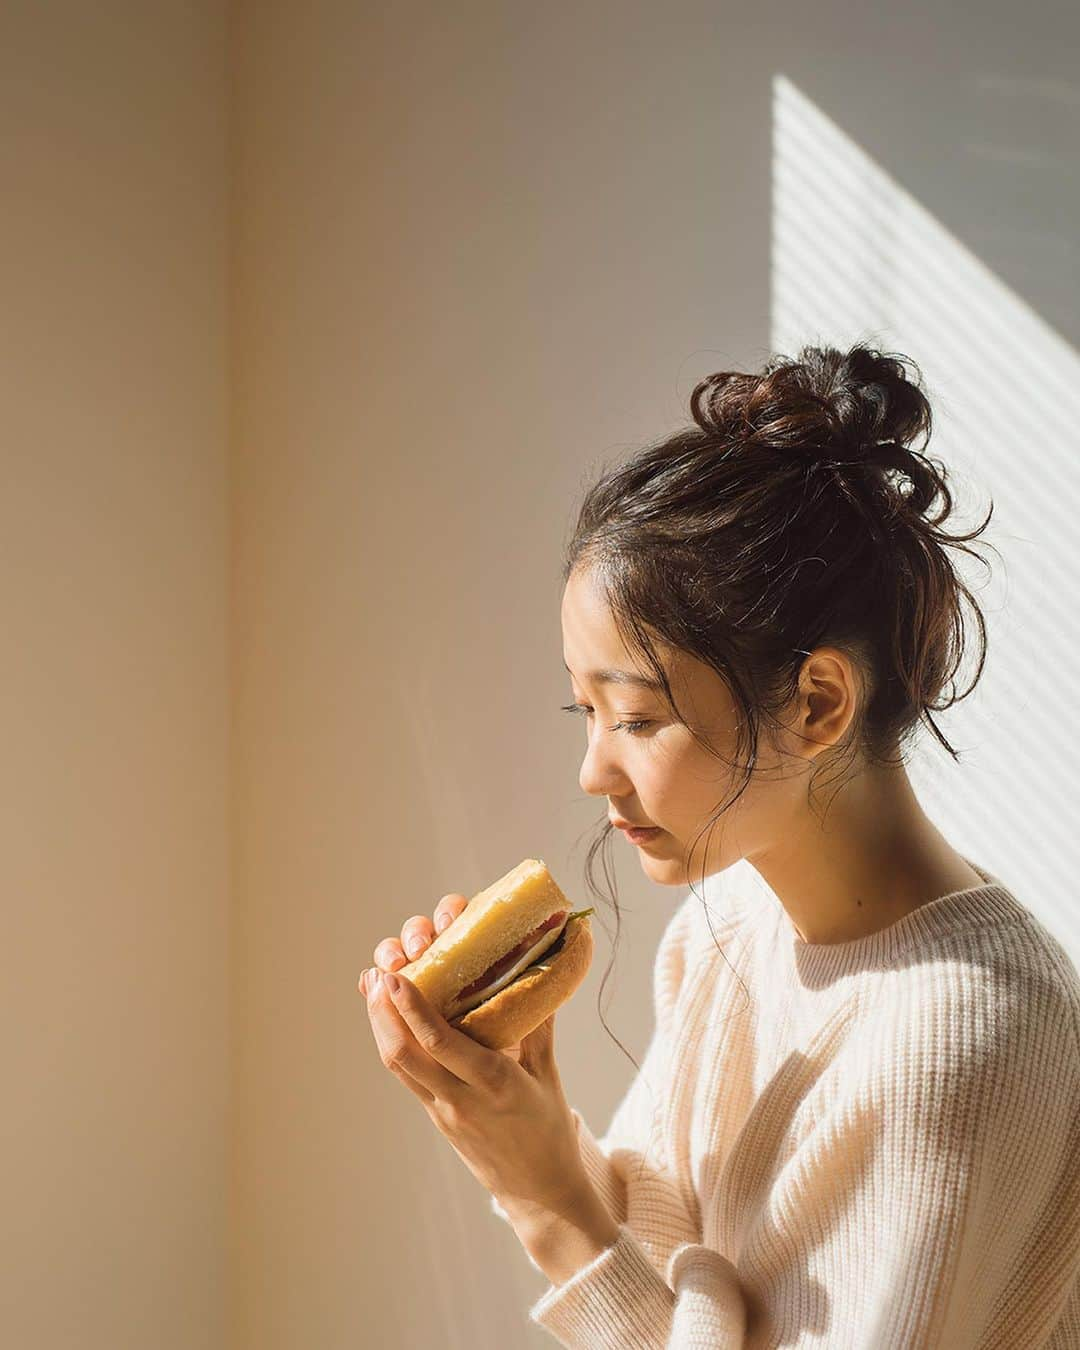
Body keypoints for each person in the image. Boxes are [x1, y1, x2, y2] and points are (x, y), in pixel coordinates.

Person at [364, 343, 1080, 1347]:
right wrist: (523, 1134)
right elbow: (672, 1264)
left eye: (638, 719)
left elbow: (657, 1288)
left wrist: (551, 1210)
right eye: (586, 707)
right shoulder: (729, 925)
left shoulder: (966, 1042)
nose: (592, 773)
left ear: (821, 702)